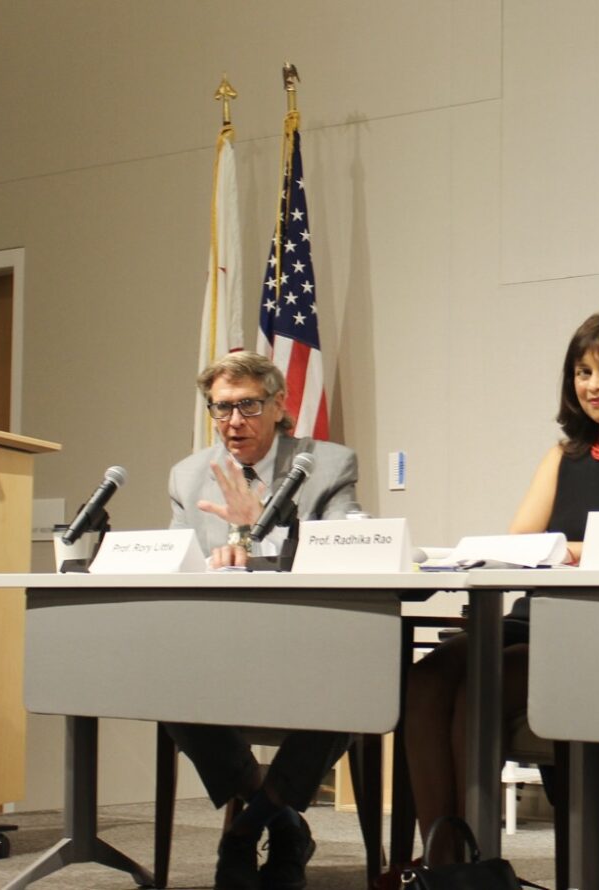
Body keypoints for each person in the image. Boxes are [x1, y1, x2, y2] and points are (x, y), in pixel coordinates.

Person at [401, 311, 599, 864]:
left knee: (477, 692)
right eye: (582, 372)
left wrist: (564, 548)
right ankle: (443, 860)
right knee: (426, 679)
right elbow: (518, 544)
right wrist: (568, 549)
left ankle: (471, 863)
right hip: (534, 618)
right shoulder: (562, 455)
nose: (594, 385)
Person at [166, 350, 361, 890]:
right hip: (221, 647)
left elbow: (352, 553)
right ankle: (285, 821)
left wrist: (265, 532)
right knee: (163, 678)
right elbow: (177, 563)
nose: (233, 422)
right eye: (220, 408)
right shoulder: (187, 477)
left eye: (248, 406)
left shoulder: (328, 464)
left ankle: (242, 830)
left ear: (280, 404)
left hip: (309, 646)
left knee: (354, 679)